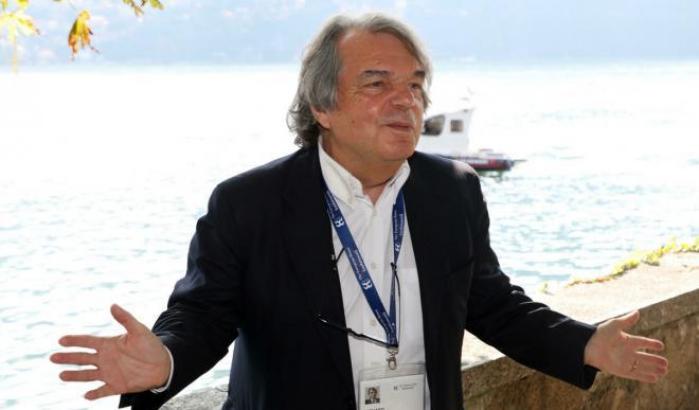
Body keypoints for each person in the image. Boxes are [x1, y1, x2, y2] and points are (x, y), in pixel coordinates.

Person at [50, 13, 669, 410]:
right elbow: (203, 314)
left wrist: (586, 344)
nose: (407, 101)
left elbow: (491, 303)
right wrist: (164, 361)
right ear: (321, 106)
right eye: (377, 84)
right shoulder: (249, 203)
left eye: (416, 85)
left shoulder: (452, 190)